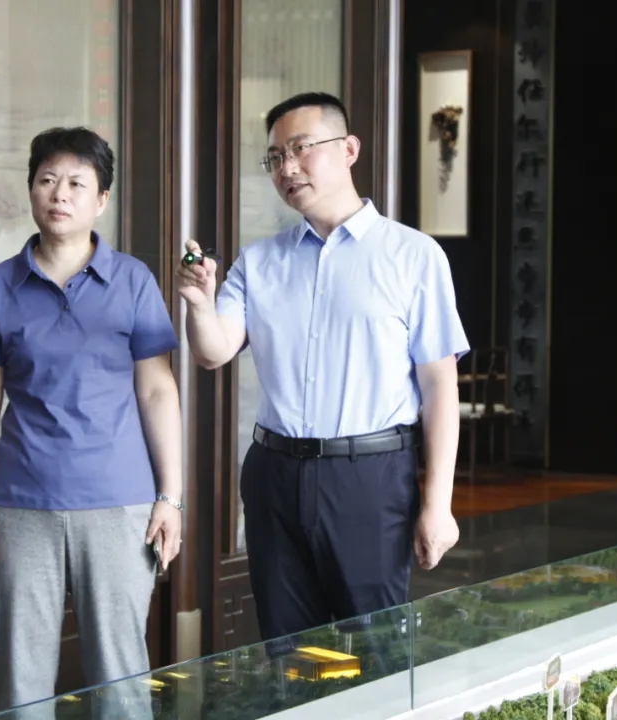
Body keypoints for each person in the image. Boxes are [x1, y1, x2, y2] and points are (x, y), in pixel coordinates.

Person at [177, 92, 468, 641]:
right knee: (288, 650)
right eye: (274, 157)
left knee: (375, 648)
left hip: (370, 476)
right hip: (274, 473)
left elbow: (439, 385)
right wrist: (198, 303)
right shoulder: (259, 262)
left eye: (301, 149)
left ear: (349, 149)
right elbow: (212, 351)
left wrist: (438, 504)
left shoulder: (413, 255)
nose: (286, 168)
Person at [0, 126, 183, 717]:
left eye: (77, 183)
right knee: (21, 671)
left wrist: (171, 498)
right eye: (47, 179)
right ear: (31, 190)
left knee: (120, 671)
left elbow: (158, 390)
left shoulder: (133, 280)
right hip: (20, 501)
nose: (60, 193)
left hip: (119, 501)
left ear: (101, 199)